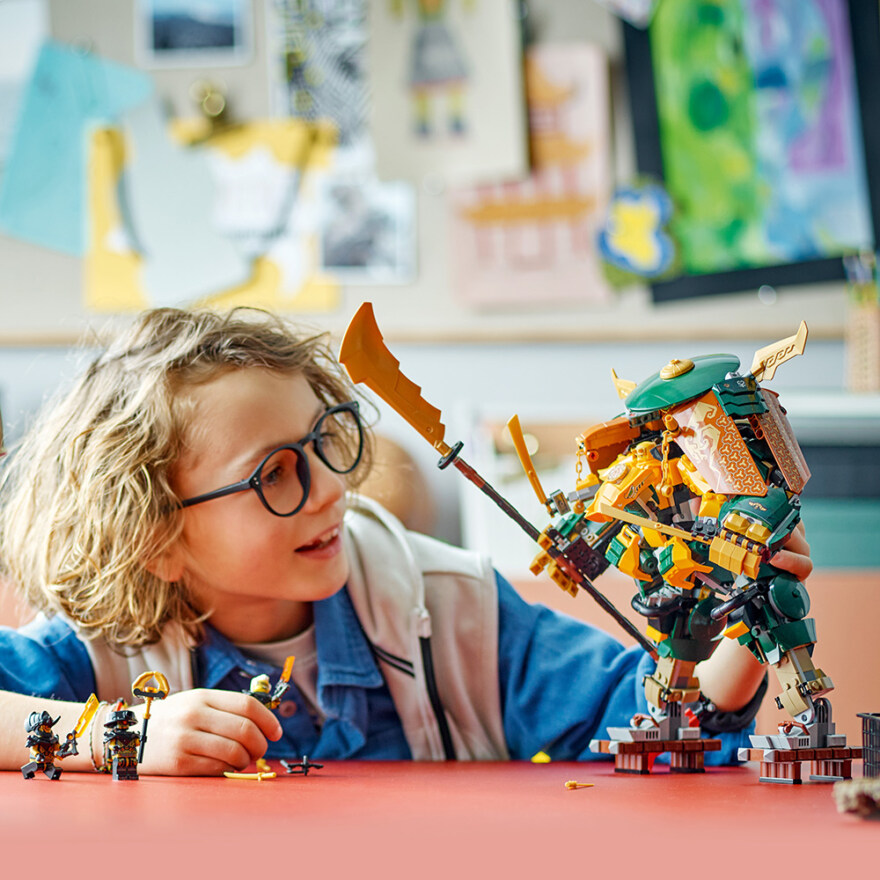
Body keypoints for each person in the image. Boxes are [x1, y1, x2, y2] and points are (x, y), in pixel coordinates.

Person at [0, 308, 812, 776]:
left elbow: (658, 729)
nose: (330, 487)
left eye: (325, 441)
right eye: (274, 474)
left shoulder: (452, 608)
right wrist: (117, 737)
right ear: (154, 537)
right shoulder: (104, 650)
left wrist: (745, 625)